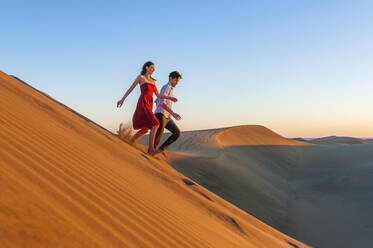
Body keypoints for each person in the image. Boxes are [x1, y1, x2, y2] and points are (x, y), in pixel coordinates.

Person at [117, 61, 177, 155]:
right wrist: (122, 100)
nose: (153, 70)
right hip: (142, 103)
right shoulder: (141, 78)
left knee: (146, 129)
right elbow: (130, 89)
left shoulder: (153, 81)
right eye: (151, 68)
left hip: (149, 105)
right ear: (146, 68)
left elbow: (158, 95)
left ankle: (131, 141)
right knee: (156, 124)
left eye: (154, 69)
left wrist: (170, 98)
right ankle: (151, 149)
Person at [153, 71, 182, 157]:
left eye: (178, 81)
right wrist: (173, 113)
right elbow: (161, 103)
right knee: (159, 134)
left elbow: (157, 101)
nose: (177, 83)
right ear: (170, 78)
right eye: (176, 80)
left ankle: (160, 149)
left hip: (167, 116)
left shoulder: (170, 89)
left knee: (177, 133)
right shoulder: (166, 87)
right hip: (160, 114)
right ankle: (152, 152)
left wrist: (171, 114)